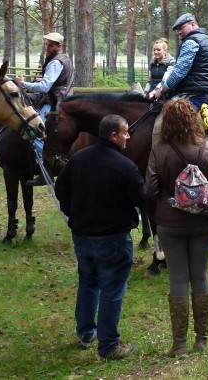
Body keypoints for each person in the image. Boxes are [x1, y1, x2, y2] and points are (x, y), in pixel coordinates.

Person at [55, 114, 145, 361]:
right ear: (114, 135)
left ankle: (85, 333)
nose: (129, 136)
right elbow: (142, 198)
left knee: (88, 282)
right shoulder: (126, 166)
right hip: (114, 239)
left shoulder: (78, 160)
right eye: (126, 132)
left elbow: (60, 189)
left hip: (82, 236)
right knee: (112, 290)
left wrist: (74, 212)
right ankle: (109, 345)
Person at [146, 98, 208, 356]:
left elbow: (151, 189)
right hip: (202, 222)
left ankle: (179, 344)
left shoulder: (158, 150)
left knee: (178, 279)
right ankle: (202, 340)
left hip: (170, 223)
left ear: (167, 122)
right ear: (193, 119)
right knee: (201, 276)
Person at [16, 32, 74, 186]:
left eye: (50, 45)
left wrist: (23, 84)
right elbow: (58, 80)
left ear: (58, 46)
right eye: (46, 44)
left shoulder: (55, 62)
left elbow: (45, 87)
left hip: (54, 102)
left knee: (35, 131)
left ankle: (47, 169)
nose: (47, 48)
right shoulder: (65, 58)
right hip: (63, 98)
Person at [149, 13, 208, 110]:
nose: (179, 32)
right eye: (177, 29)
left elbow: (179, 72)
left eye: (181, 27)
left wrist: (162, 90)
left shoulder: (191, 41)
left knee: (166, 117)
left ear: (193, 24)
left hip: (193, 95)